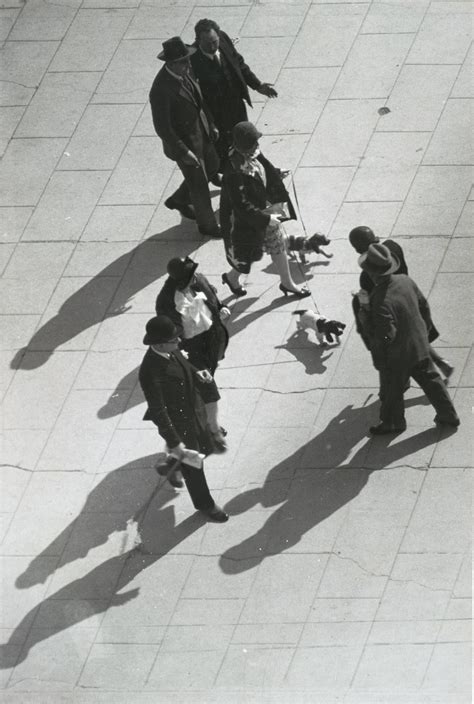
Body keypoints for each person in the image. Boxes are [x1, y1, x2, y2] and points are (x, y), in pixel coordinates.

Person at [358, 243, 460, 435]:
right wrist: (424, 331)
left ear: (371, 274)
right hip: (419, 343)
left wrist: (365, 314)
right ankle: (448, 415)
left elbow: (386, 334)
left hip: (398, 355)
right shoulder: (405, 280)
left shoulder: (379, 301)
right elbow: (424, 306)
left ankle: (393, 423)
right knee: (432, 381)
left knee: (391, 390)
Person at [139, 315, 229, 522]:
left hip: (193, 408)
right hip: (179, 422)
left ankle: (173, 464)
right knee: (194, 465)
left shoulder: (169, 349)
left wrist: (198, 373)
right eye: (174, 340)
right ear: (160, 344)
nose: (179, 342)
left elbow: (184, 365)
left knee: (205, 448)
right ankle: (206, 505)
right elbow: (159, 411)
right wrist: (174, 442)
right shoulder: (150, 371)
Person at [349, 225, 454, 380]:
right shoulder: (393, 246)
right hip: (408, 298)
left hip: (391, 310)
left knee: (410, 345)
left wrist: (361, 303)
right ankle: (440, 361)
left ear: (358, 250)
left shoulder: (366, 277)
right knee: (417, 333)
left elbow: (371, 311)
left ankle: (431, 375)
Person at [220, 121, 310, 299]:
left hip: (261, 213)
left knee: (276, 245)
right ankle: (232, 277)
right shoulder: (234, 171)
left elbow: (262, 169)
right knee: (247, 255)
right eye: (254, 142)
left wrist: (276, 173)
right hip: (244, 223)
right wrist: (266, 219)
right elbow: (241, 205)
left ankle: (286, 283)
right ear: (244, 146)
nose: (257, 146)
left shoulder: (249, 154)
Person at [149, 36, 221, 238]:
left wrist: (211, 123)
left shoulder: (184, 71)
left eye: (188, 59)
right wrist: (184, 151)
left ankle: (180, 199)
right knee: (199, 184)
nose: (189, 64)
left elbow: (199, 99)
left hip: (201, 132)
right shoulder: (160, 90)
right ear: (171, 64)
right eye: (183, 62)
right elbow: (163, 128)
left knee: (214, 166)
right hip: (185, 143)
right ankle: (207, 226)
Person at [155, 256, 229, 451]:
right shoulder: (166, 302)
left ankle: (204, 421)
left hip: (211, 341)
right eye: (191, 276)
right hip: (191, 349)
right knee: (209, 389)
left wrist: (221, 309)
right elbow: (168, 336)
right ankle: (213, 429)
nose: (195, 278)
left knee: (204, 385)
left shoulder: (198, 280)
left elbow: (212, 297)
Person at [191, 19, 277, 175]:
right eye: (208, 43)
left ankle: (263, 170)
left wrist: (257, 85)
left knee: (247, 139)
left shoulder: (223, 38)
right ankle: (229, 175)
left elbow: (239, 64)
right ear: (198, 40)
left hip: (236, 105)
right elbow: (197, 98)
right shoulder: (193, 60)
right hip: (217, 115)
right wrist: (209, 123)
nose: (213, 46)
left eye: (215, 41)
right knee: (224, 148)